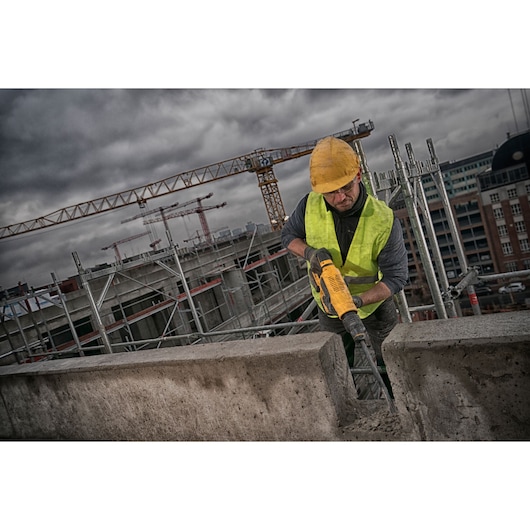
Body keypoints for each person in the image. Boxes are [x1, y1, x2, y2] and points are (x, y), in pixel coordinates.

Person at [281, 136, 408, 396]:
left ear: (358, 175)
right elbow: (288, 237)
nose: (340, 197)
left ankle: (398, 404)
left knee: (390, 361)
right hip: (329, 306)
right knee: (338, 366)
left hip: (373, 305)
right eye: (331, 192)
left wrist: (357, 302)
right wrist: (310, 253)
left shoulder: (383, 219)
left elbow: (396, 277)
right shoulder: (309, 205)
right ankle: (348, 409)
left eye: (346, 187)